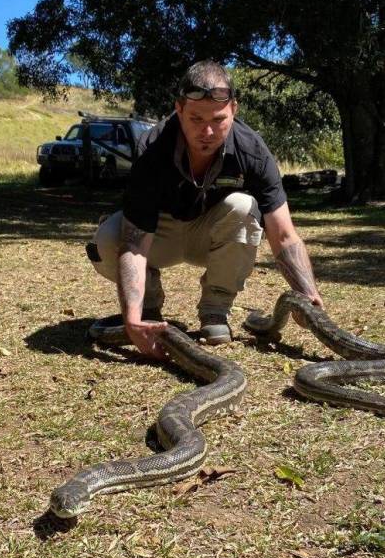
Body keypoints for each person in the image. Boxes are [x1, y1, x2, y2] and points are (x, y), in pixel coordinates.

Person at [86, 59, 323, 358]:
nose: (207, 132)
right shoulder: (153, 147)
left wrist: (306, 292)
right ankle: (147, 309)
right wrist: (131, 319)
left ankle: (215, 311)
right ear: (179, 109)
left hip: (210, 237)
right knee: (108, 238)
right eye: (196, 119)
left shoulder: (252, 149)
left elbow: (285, 235)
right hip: (161, 233)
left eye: (218, 120)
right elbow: (134, 243)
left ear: (234, 110)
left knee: (244, 205)